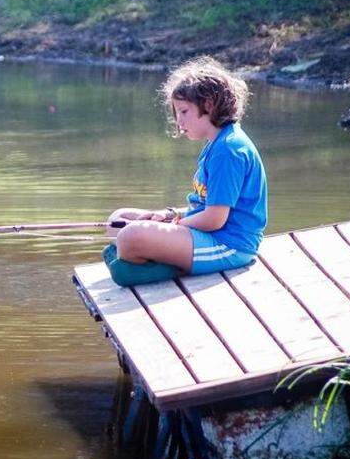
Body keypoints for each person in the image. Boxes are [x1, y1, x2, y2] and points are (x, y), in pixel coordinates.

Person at [103, 57, 268, 287]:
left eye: (183, 111)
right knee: (117, 222)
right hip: (209, 234)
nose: (178, 121)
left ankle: (149, 267)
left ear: (208, 105)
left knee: (130, 236)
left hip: (229, 245)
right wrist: (168, 214)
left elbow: (214, 219)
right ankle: (139, 262)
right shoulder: (215, 143)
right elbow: (205, 206)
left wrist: (174, 224)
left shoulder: (229, 150)